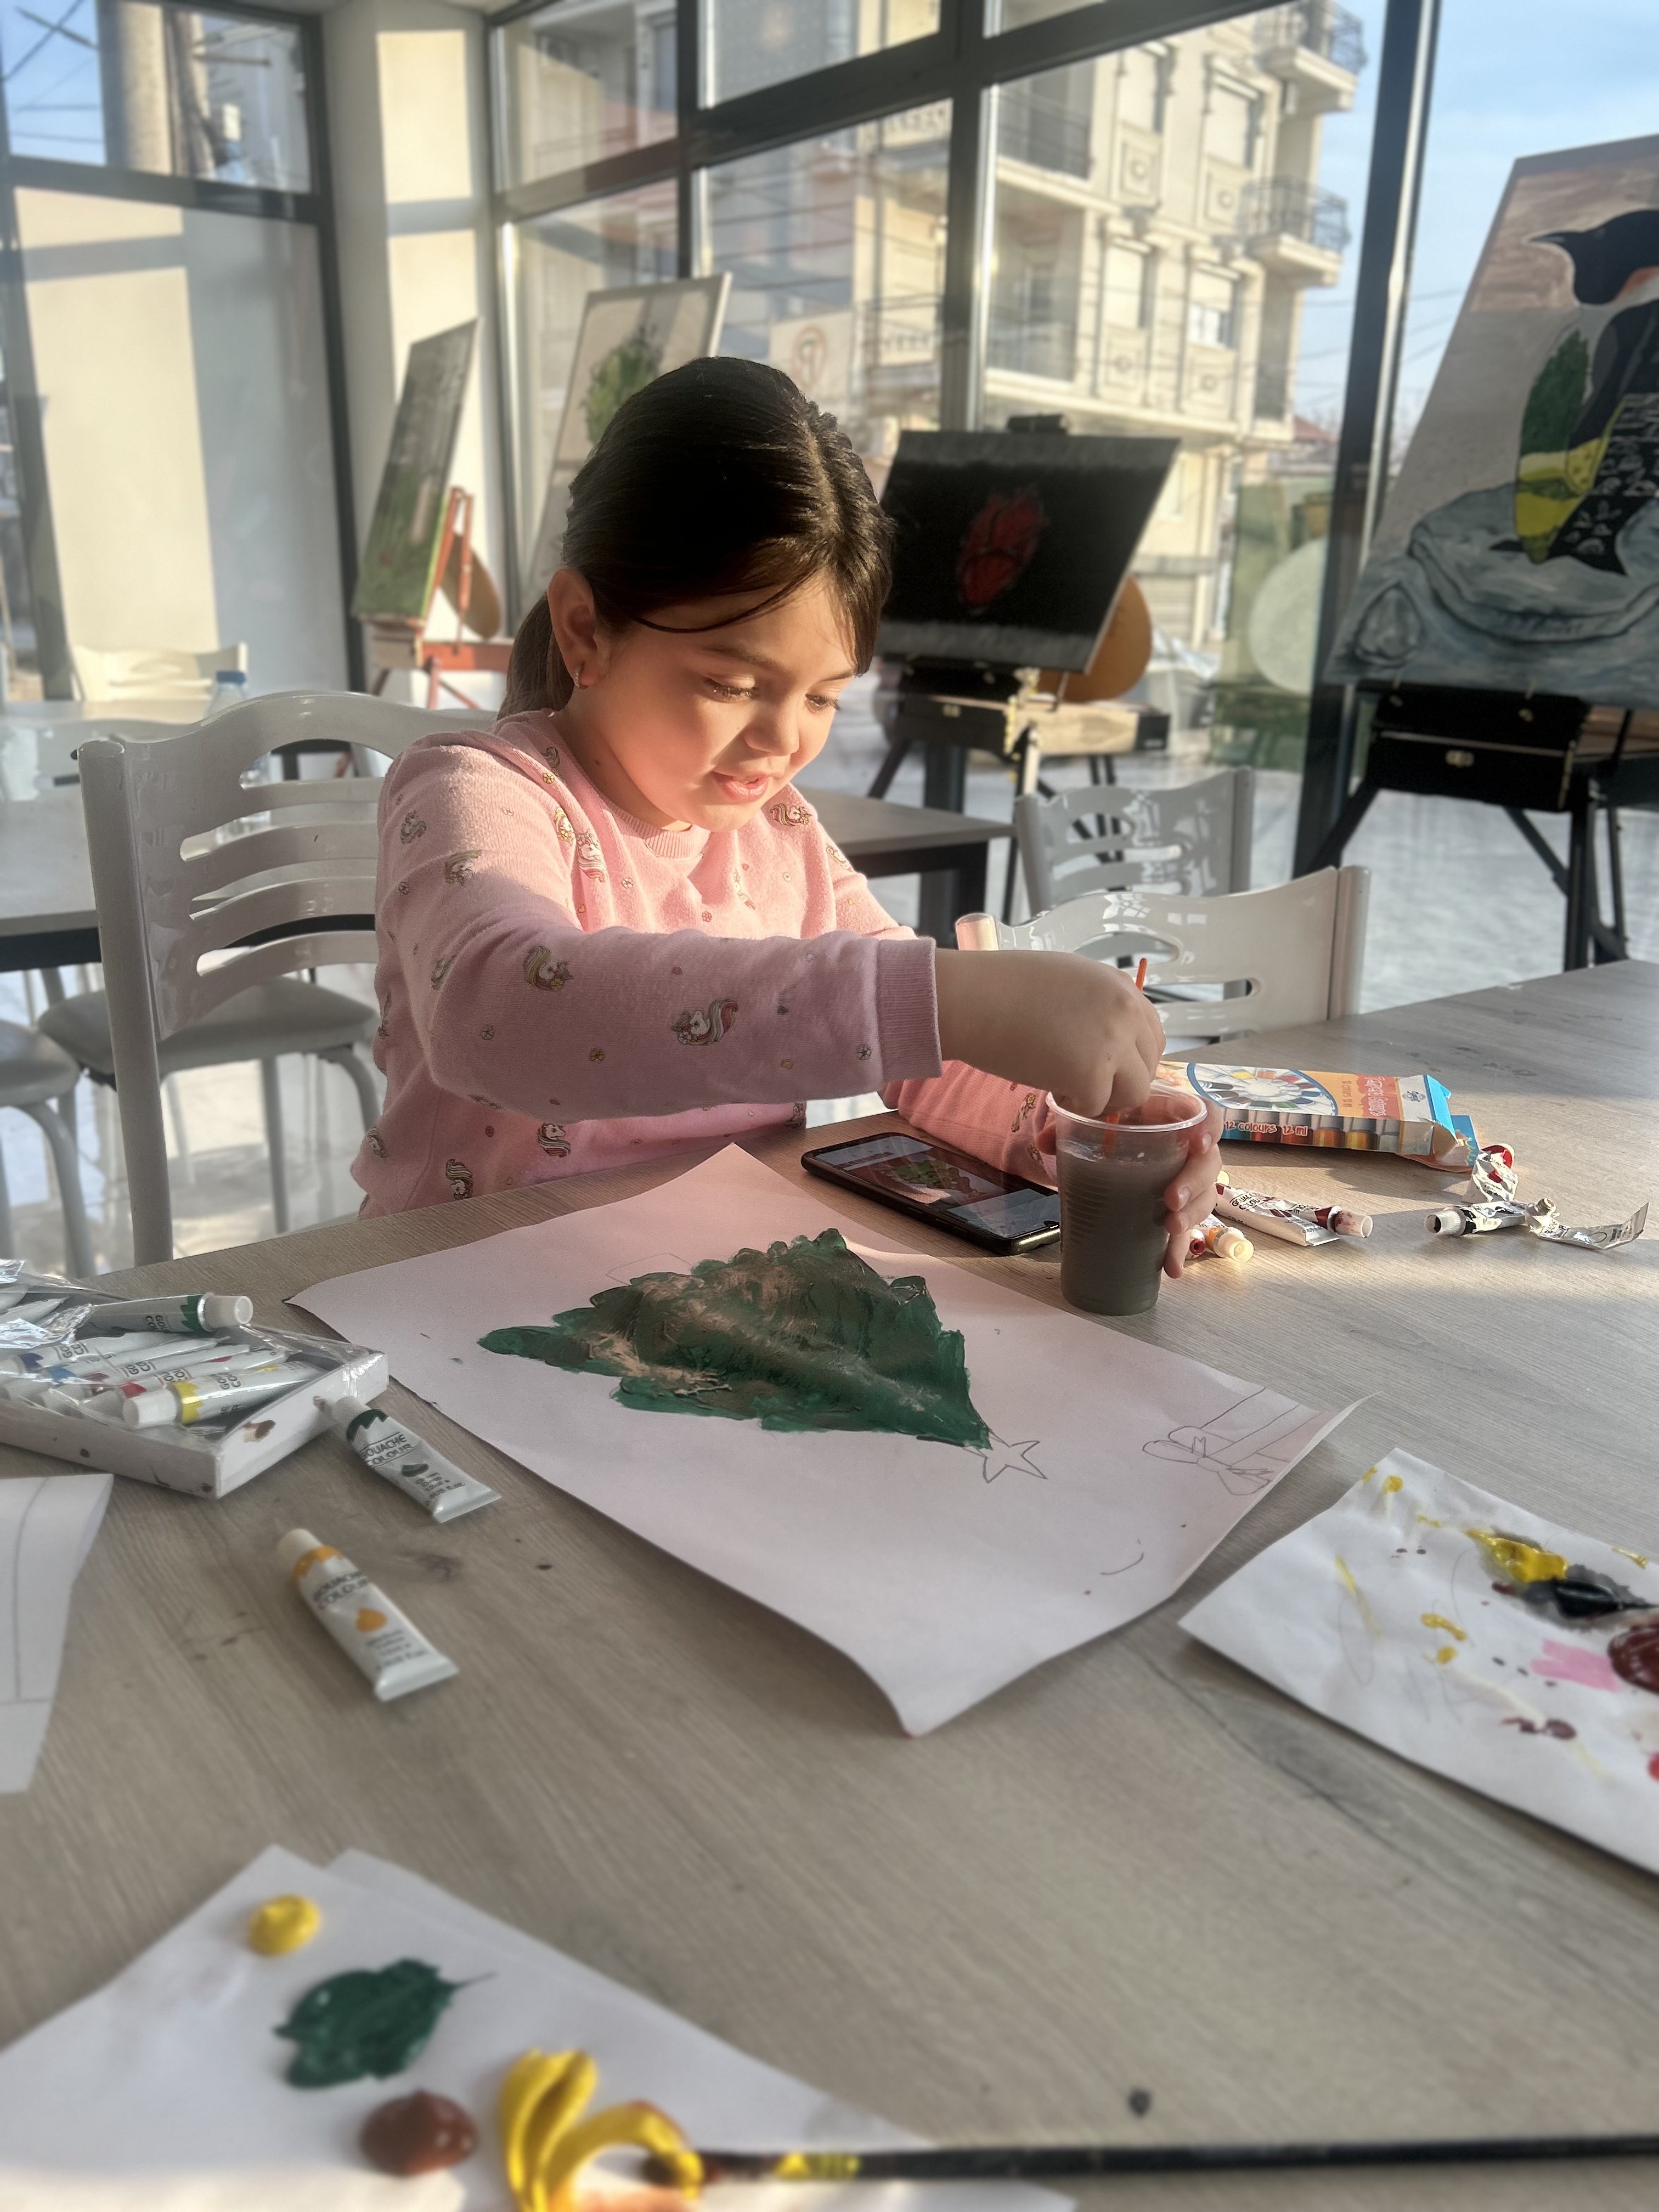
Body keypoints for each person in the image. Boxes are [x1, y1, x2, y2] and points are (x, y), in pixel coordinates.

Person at [357, 357, 1221, 1273]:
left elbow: (920, 1054)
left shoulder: (780, 833)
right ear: (584, 629)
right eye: (732, 684)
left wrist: (1066, 1124)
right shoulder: (475, 789)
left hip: (702, 1284)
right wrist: (947, 996)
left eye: (822, 698)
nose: (781, 741)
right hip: (457, 1288)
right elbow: (500, 1012)